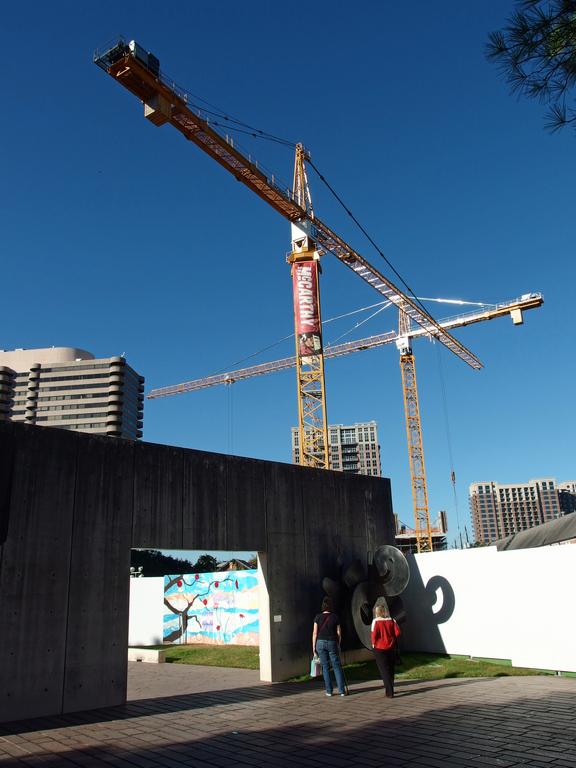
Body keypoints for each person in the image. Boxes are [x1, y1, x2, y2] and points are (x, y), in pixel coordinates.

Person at [312, 596, 347, 697]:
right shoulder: (335, 617)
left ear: (323, 606)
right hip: (332, 642)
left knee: (325, 667)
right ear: (331, 606)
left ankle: (329, 691)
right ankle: (341, 691)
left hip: (320, 642)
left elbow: (314, 633)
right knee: (336, 666)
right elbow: (339, 632)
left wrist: (313, 647)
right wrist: (338, 643)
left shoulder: (317, 617)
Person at [371, 602, 401, 698]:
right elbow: (398, 633)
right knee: (391, 668)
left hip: (379, 648)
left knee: (384, 670)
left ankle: (389, 691)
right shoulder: (392, 620)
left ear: (377, 612)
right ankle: (390, 687)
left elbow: (373, 635)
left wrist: (373, 645)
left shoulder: (375, 621)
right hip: (391, 647)